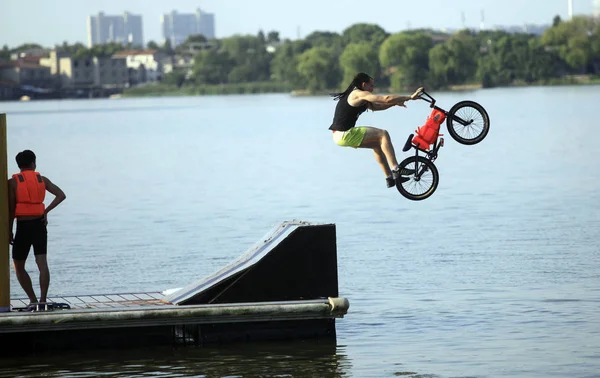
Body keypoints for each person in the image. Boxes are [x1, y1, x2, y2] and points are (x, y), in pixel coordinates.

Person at [329, 72, 423, 188]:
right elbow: (385, 99)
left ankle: (389, 178)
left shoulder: (360, 96)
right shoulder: (357, 94)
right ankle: (396, 169)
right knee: (383, 134)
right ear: (364, 85)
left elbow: (376, 107)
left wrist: (394, 103)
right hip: (345, 133)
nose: (372, 89)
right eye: (371, 86)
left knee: (378, 145)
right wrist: (410, 97)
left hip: (338, 136)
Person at [7, 150, 66, 309]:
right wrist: (45, 211)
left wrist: (8, 231)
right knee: (42, 264)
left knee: (18, 266)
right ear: (33, 163)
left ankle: (32, 299)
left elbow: (11, 210)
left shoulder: (12, 183)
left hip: (23, 226)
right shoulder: (42, 179)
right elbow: (61, 195)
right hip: (39, 225)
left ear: (19, 165)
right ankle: (42, 300)